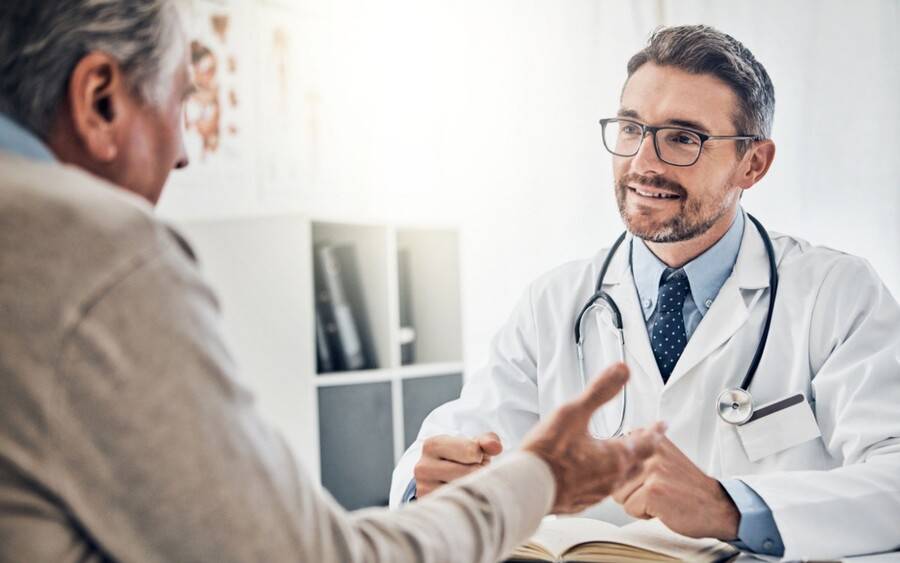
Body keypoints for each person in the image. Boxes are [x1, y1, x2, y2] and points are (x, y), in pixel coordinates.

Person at [0, 1, 666, 561]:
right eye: (181, 101)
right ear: (99, 99)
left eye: (684, 137)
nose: (183, 153)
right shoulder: (93, 250)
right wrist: (535, 477)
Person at [391, 24, 900, 560]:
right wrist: (430, 484)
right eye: (632, 129)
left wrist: (729, 506)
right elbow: (453, 443)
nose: (643, 163)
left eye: (682, 138)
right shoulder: (555, 301)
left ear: (753, 163)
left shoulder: (834, 294)